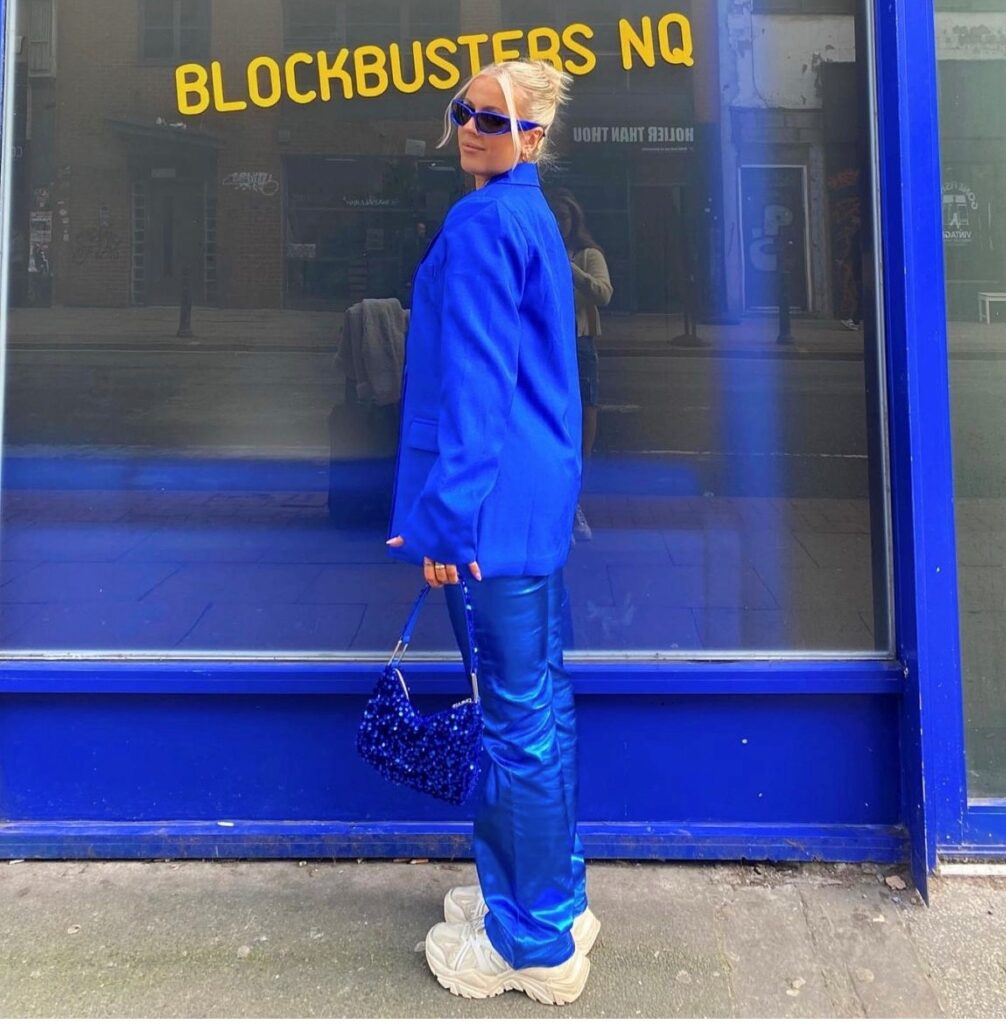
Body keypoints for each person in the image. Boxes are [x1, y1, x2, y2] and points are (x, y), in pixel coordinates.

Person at [384, 58, 597, 1006]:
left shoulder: (480, 226)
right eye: (463, 111)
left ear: (533, 137)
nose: (472, 127)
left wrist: (444, 519)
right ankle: (550, 896)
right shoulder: (530, 213)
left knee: (516, 725)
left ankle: (532, 939)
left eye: (495, 119)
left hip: (489, 514)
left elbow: (473, 391)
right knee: (538, 706)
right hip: (531, 501)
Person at [549, 189, 613, 541]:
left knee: (584, 417)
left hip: (578, 342)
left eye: (565, 216)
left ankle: (574, 502)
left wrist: (569, 268)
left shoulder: (588, 255)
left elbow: (604, 293)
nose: (560, 222)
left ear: (575, 220)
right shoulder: (538, 252)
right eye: (554, 215)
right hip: (546, 345)